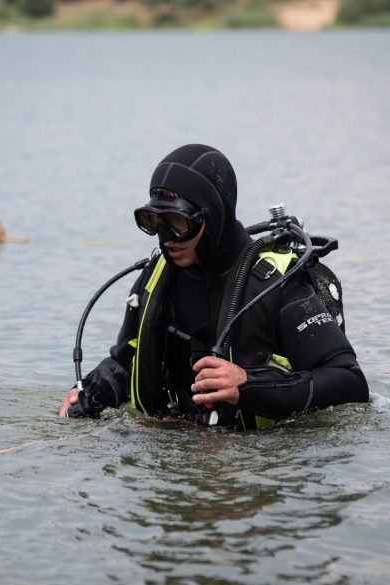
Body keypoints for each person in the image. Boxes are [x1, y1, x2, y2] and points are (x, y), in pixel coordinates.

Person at [59, 144, 368, 430]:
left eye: (178, 223)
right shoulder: (158, 276)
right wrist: (92, 392)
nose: (165, 238)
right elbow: (127, 363)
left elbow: (350, 381)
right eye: (154, 222)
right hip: (174, 448)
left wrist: (247, 386)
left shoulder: (276, 286)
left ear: (212, 217)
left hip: (262, 459)